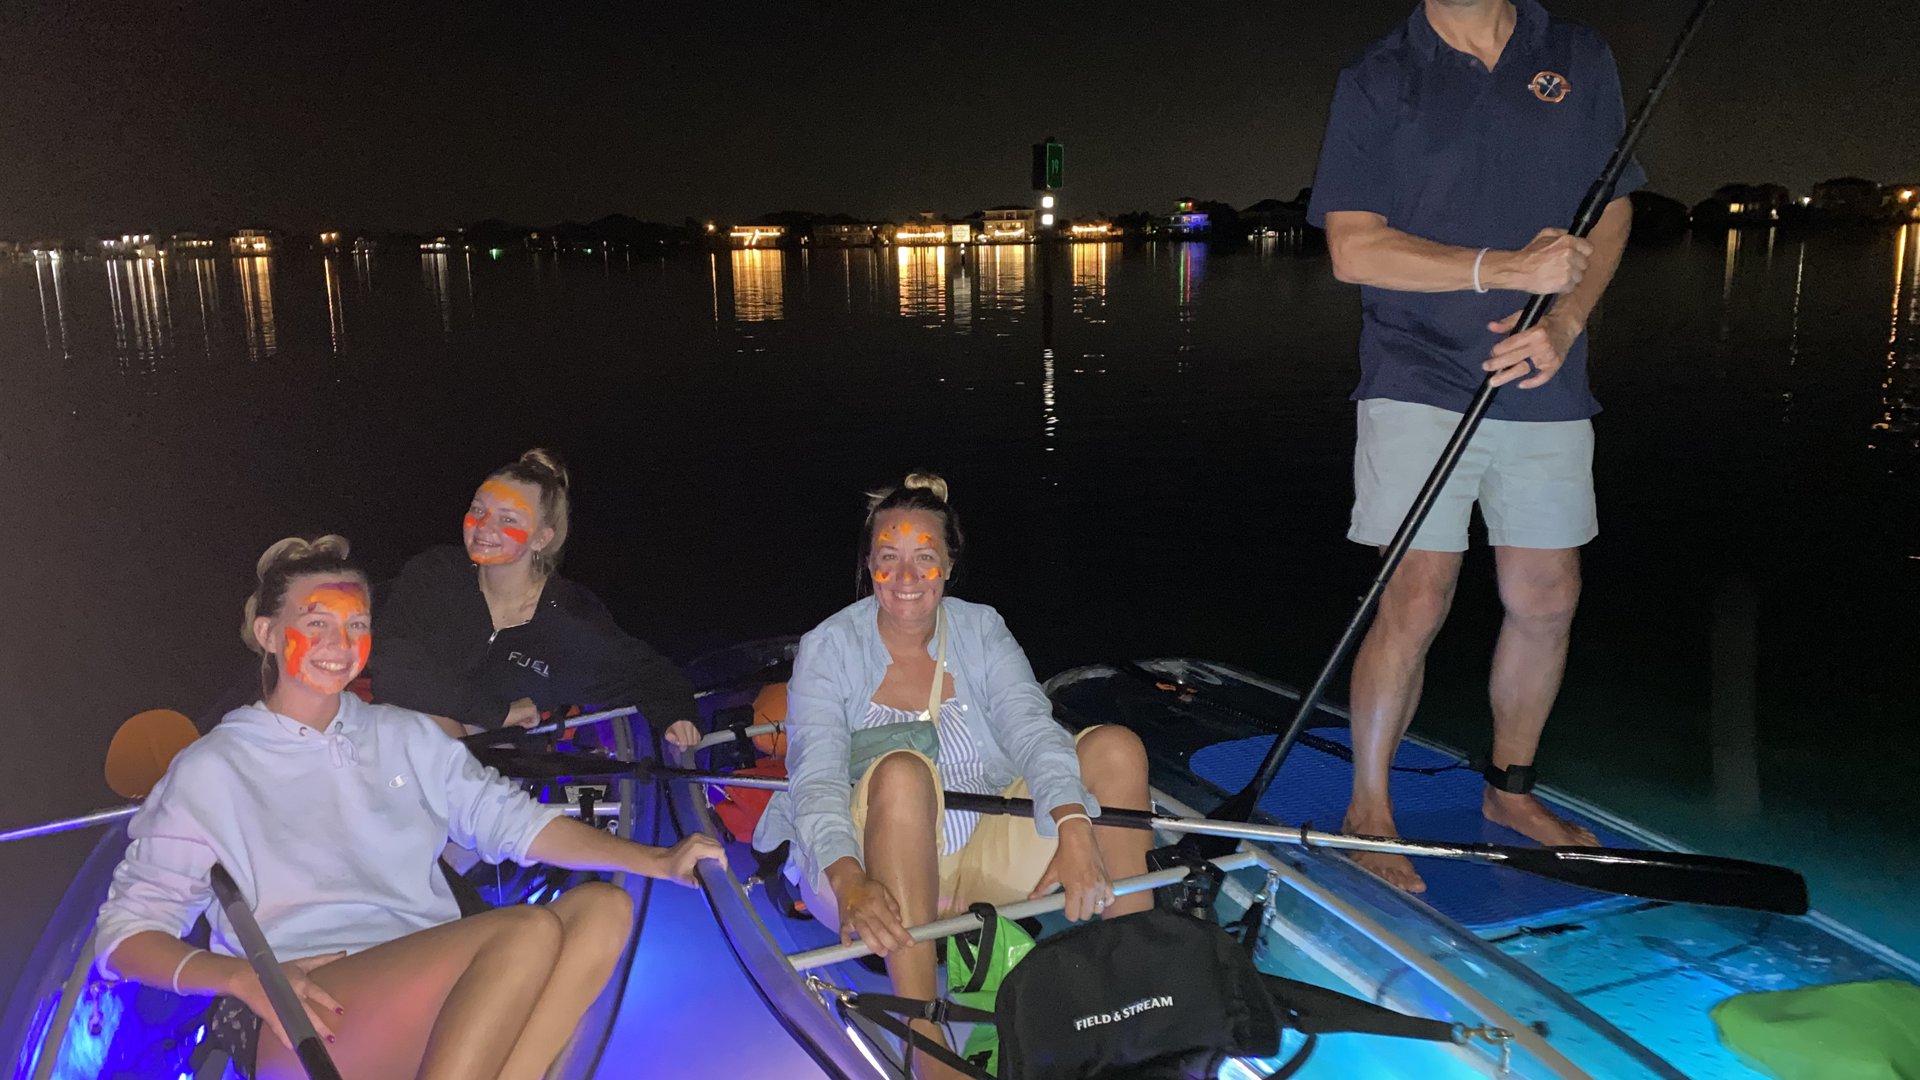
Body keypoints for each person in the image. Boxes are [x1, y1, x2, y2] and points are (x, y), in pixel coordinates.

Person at [94, 535, 724, 1080]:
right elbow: (125, 935)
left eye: (356, 624)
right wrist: (241, 979)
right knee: (525, 932)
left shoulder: (403, 734)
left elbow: (515, 822)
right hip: (306, 1013)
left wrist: (657, 860)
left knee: (604, 908)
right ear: (268, 634)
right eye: (317, 621)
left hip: (439, 984)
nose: (340, 642)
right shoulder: (212, 768)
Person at [1304, 0, 1643, 891]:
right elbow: (1352, 248)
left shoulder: (1575, 54)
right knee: (1416, 595)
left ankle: (1510, 791)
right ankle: (1368, 811)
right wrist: (1505, 268)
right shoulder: (1380, 77)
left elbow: (1611, 209)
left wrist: (1564, 320)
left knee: (1547, 594)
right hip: (1415, 372)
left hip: (1544, 369)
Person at [753, 473, 1152, 1079]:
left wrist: (1074, 827)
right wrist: (850, 879)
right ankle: (923, 1031)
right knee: (903, 771)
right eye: (889, 557)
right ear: (869, 565)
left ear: (949, 564)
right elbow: (815, 778)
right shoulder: (828, 647)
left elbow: (1032, 727)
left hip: (984, 857)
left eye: (924, 557)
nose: (906, 577)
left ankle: (1139, 978)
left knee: (1117, 750)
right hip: (866, 879)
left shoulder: (981, 628)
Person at [372, 448, 700, 748]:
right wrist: (496, 711)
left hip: (496, 771)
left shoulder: (570, 619)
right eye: (478, 510)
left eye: (507, 519)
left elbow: (646, 673)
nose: (484, 526)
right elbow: (392, 667)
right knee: (421, 726)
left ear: (541, 538)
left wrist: (677, 714)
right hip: (401, 750)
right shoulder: (435, 574)